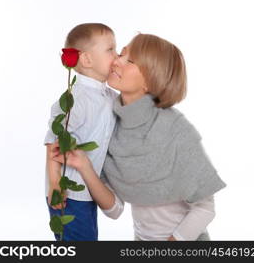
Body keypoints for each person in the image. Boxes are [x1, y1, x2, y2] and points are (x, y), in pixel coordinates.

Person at [51, 33, 227, 241]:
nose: (116, 61)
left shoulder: (176, 129)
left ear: (151, 80)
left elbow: (205, 208)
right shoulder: (113, 126)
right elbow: (114, 209)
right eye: (121, 53)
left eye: (130, 60)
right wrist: (85, 167)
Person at [43, 23, 119, 241]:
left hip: (88, 191)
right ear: (86, 60)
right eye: (110, 49)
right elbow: (53, 141)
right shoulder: (77, 99)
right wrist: (55, 183)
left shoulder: (108, 95)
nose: (117, 55)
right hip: (69, 194)